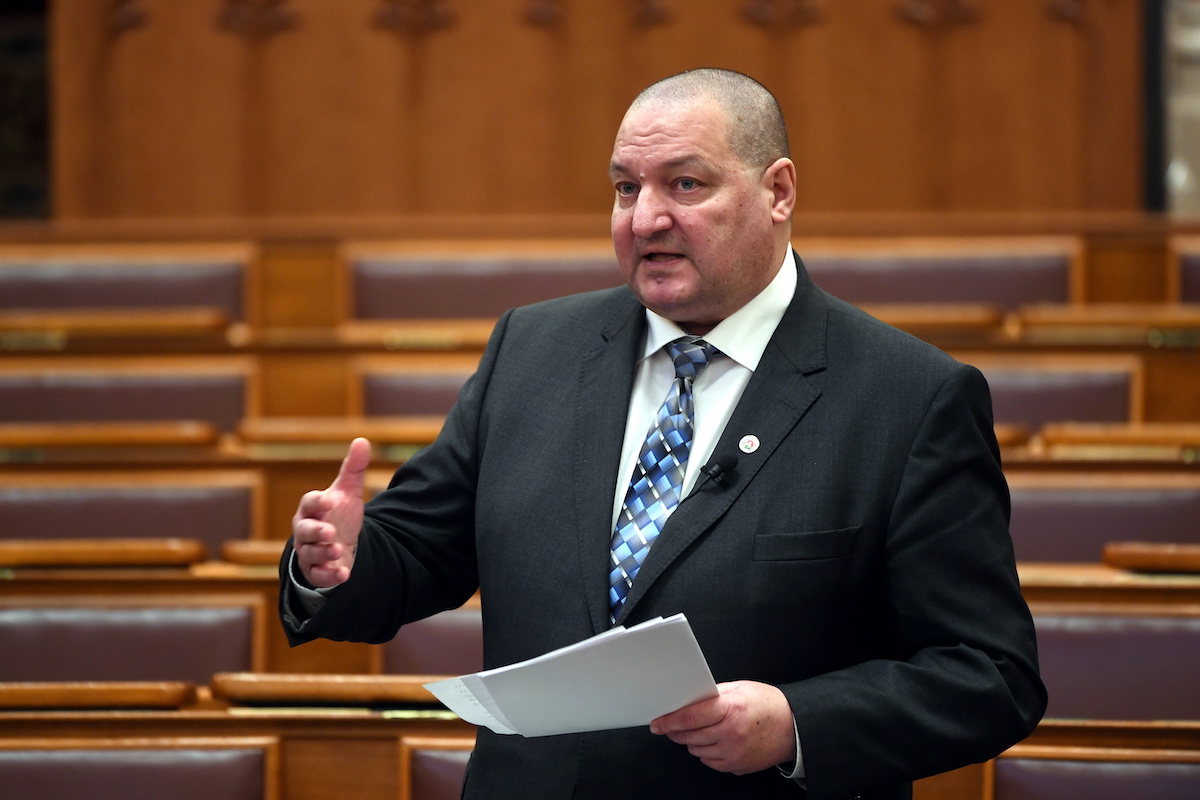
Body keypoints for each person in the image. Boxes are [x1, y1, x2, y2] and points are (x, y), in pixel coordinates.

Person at [281, 68, 1046, 800]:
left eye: (685, 184)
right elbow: (417, 554)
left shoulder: (908, 398)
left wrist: (797, 724)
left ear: (777, 192)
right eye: (626, 188)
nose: (645, 219)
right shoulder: (533, 351)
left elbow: (989, 676)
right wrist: (336, 562)